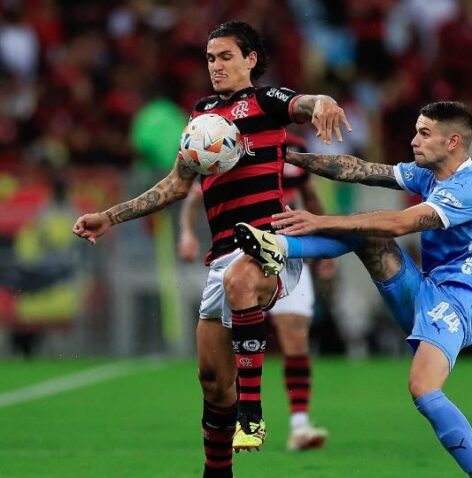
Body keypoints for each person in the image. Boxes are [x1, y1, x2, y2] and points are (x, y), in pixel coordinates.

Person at [72, 20, 350, 478]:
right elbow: (176, 184)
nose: (216, 66)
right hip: (223, 254)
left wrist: (324, 102)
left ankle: (253, 412)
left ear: (250, 59)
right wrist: (111, 216)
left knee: (243, 282)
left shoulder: (266, 101)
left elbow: (305, 103)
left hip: (271, 245)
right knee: (214, 383)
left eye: (225, 56)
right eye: (210, 58)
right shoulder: (202, 116)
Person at [232, 101, 472, 478]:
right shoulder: (428, 174)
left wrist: (320, 221)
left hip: (464, 302)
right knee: (367, 234)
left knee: (423, 389)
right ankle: (277, 246)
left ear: (453, 142)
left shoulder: (471, 188)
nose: (413, 141)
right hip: (429, 288)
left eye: (424, 133)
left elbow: (398, 224)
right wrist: (289, 156)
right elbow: (360, 169)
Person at [178, 133, 330, 452]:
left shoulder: (294, 149)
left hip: (285, 249)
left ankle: (299, 424)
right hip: (237, 256)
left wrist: (324, 243)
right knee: (218, 368)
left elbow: (310, 197)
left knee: (295, 336)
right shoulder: (226, 143)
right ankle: (237, 422)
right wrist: (187, 234)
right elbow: (192, 196)